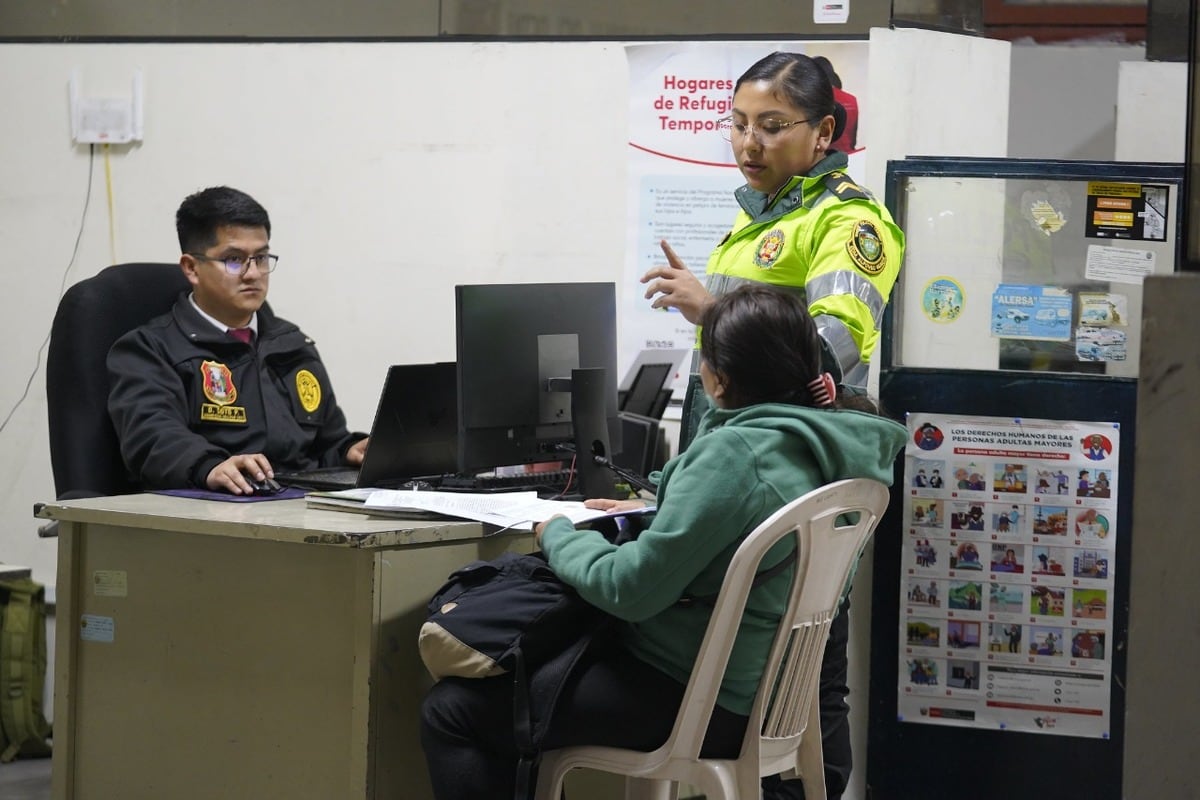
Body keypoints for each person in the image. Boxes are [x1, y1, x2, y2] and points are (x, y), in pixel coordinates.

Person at [419, 284, 907, 800]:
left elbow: (629, 589)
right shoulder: (829, 448)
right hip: (764, 698)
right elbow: (735, 519)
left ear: (717, 378)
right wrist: (662, 507)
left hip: (689, 695)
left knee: (453, 711)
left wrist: (559, 534)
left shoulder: (737, 453)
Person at [639, 51, 904, 800]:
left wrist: (713, 308)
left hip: (795, 482)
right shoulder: (763, 214)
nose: (749, 144)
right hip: (742, 475)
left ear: (824, 132)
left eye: (772, 126)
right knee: (753, 682)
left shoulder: (849, 220)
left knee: (807, 685)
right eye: (738, 124)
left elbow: (828, 348)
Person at [107, 186, 368, 495]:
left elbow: (325, 446)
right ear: (192, 268)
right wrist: (208, 465)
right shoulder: (150, 350)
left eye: (261, 258)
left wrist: (350, 450)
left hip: (299, 508)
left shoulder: (292, 345)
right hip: (212, 509)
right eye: (234, 259)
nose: (253, 273)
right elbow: (152, 438)